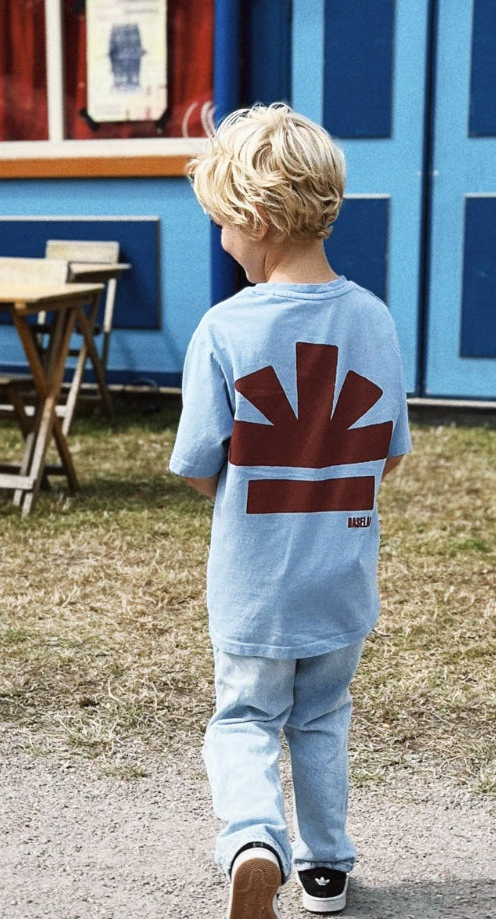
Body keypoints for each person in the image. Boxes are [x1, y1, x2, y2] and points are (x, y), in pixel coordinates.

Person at [169, 103, 411, 918]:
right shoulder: (374, 319)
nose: (223, 241)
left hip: (254, 583)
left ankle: (251, 841)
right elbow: (390, 454)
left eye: (224, 225)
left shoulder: (225, 328)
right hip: (341, 581)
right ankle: (325, 869)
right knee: (322, 720)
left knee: (243, 716)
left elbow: (202, 466)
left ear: (260, 220)